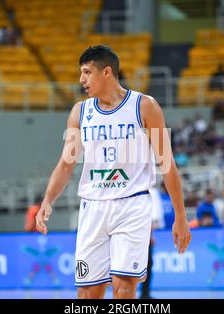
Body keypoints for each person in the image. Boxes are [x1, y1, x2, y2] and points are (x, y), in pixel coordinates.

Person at [35, 45, 191, 299]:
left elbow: (167, 163)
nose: (81, 79)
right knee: (88, 292)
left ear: (106, 72)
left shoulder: (145, 107)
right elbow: (66, 164)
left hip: (132, 205)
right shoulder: (80, 112)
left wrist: (180, 215)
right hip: (93, 206)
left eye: (86, 72)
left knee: (124, 287)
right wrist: (47, 200)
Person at [140, 186, 165, 299]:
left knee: (147, 264)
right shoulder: (151, 192)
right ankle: (144, 293)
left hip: (142, 232)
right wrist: (150, 235)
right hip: (140, 233)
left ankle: (144, 293)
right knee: (147, 264)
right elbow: (149, 215)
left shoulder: (150, 191)